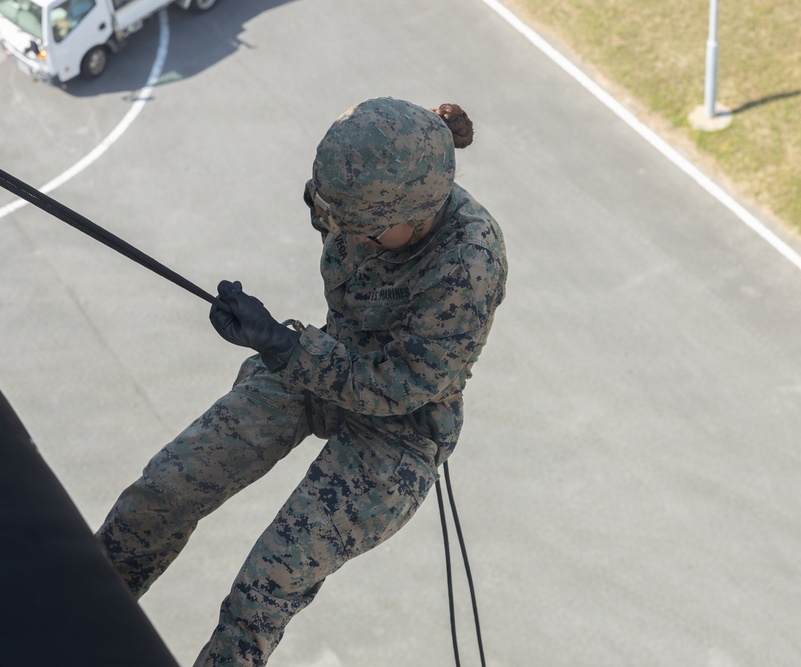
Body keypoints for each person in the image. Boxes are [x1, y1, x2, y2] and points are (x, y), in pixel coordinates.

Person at [96, 96, 508, 666]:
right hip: (321, 361)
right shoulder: (351, 199)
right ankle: (78, 616)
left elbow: (399, 384)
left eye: (369, 232)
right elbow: (342, 234)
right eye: (337, 220)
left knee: (263, 592)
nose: (351, 240)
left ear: (421, 215)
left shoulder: (469, 262)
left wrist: (283, 347)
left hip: (399, 428)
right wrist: (267, 337)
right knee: (164, 491)